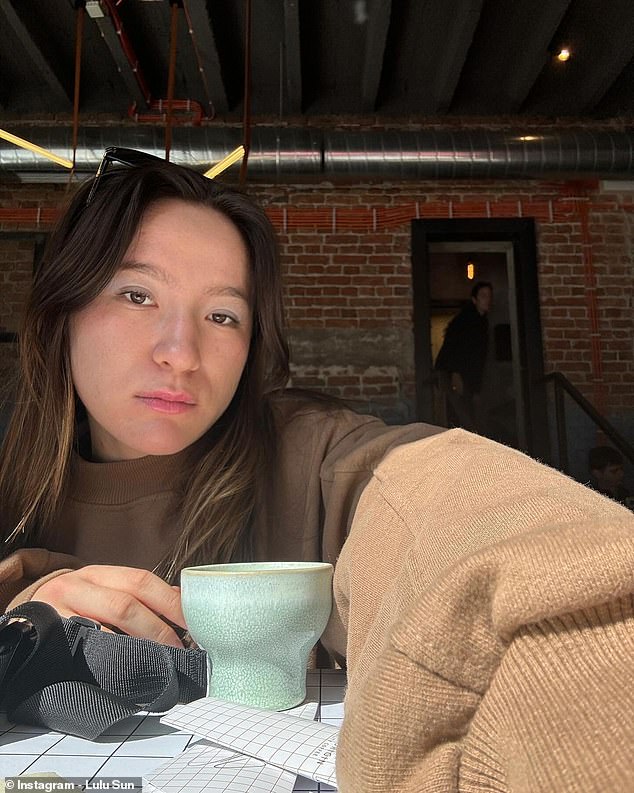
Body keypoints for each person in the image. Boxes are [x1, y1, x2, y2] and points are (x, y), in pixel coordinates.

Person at [0, 152, 633, 792]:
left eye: (222, 316)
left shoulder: (309, 459)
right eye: (137, 295)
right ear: (61, 311)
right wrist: (17, 634)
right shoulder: (12, 486)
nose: (182, 354)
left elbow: (458, 514)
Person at [434, 281, 492, 433]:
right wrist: (455, 373)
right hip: (452, 371)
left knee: (467, 410)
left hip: (466, 373)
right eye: (483, 296)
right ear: (474, 300)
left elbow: (477, 357)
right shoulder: (465, 320)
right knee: (461, 411)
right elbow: (455, 347)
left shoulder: (482, 322)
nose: (487, 299)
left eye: (489, 296)